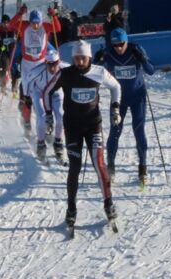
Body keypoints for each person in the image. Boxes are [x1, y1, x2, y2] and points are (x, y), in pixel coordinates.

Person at [43, 40, 121, 229]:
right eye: (76, 58)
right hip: (73, 128)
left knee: (99, 163)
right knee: (74, 168)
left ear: (89, 58)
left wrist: (115, 108)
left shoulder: (99, 72)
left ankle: (108, 203)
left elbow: (116, 87)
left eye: (83, 58)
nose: (79, 62)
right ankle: (71, 209)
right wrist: (48, 115)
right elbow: (46, 92)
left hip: (93, 125)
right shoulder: (65, 73)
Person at [95, 28, 156, 186]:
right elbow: (93, 75)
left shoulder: (135, 49)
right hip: (119, 97)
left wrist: (142, 59)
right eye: (116, 45)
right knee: (115, 131)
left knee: (139, 130)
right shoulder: (109, 52)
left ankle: (142, 169)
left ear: (126, 41)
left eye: (121, 44)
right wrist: (97, 61)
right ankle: (111, 168)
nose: (119, 48)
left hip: (137, 96)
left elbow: (151, 71)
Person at [7, 5, 61, 132]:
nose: (35, 26)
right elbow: (11, 24)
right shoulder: (24, 25)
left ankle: (46, 120)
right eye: (33, 23)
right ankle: (26, 120)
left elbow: (57, 28)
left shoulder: (46, 27)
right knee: (27, 93)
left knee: (43, 91)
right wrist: (20, 14)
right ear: (29, 21)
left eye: (37, 23)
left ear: (41, 21)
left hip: (41, 63)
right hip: (27, 64)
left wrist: (53, 16)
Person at [26, 47, 69, 162]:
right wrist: (27, 96)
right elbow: (27, 80)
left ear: (58, 62)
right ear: (45, 63)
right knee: (42, 117)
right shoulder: (38, 70)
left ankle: (58, 142)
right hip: (39, 92)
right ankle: (40, 143)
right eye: (49, 64)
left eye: (55, 63)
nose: (52, 67)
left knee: (61, 116)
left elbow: (79, 72)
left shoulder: (64, 68)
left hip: (56, 93)